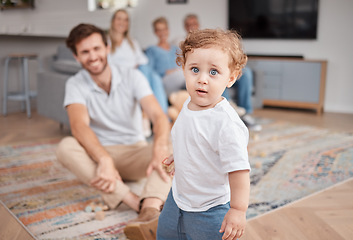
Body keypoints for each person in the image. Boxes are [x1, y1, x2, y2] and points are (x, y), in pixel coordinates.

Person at [55, 23, 171, 240]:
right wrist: (104, 159)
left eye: (97, 48)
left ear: (107, 48)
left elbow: (158, 116)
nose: (93, 56)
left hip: (136, 154)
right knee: (65, 147)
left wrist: (160, 147)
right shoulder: (75, 84)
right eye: (85, 52)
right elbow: (79, 126)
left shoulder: (132, 76)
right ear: (76, 57)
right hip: (100, 160)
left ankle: (151, 208)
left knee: (178, 144)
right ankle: (136, 203)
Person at [157, 29, 251, 239]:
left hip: (210, 208)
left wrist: (237, 210)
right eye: (195, 69)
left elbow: (239, 171)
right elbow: (189, 136)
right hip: (178, 197)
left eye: (213, 72)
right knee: (165, 233)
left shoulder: (225, 123)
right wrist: (180, 154)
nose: (202, 79)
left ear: (231, 78)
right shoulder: (189, 104)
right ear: (183, 69)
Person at [176, 13, 261, 131]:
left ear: (198, 24)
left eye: (194, 23)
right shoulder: (181, 44)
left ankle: (244, 112)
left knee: (245, 73)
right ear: (185, 27)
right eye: (189, 25)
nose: (192, 26)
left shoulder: (210, 41)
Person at [108, 9, 168, 114]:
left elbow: (143, 61)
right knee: (151, 75)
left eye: (126, 20)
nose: (122, 22)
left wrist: (137, 67)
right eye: (119, 19)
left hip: (137, 75)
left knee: (155, 77)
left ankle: (162, 116)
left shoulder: (132, 42)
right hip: (120, 76)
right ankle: (153, 112)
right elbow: (108, 64)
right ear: (113, 21)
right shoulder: (106, 42)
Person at [145, 17, 185, 97]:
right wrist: (165, 72)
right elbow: (149, 71)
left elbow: (183, 64)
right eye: (159, 30)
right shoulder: (151, 50)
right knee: (183, 75)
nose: (162, 33)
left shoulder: (176, 48)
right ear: (155, 32)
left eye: (164, 29)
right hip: (165, 81)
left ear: (168, 30)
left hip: (180, 78)